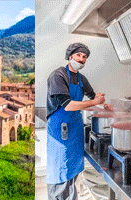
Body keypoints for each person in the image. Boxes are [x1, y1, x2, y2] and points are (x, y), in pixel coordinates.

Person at [45, 43, 110, 200]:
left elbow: (92, 96)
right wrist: (95, 103)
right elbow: (68, 105)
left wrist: (104, 104)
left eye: (84, 57)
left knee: (71, 173)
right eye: (78, 55)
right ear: (70, 56)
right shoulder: (58, 76)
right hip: (60, 129)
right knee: (60, 171)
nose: (81, 59)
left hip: (74, 129)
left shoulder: (81, 78)